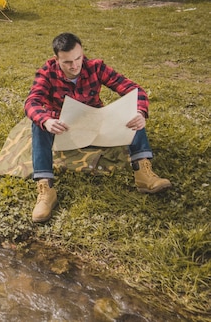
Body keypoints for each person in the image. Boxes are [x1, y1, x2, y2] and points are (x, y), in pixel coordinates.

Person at [24, 32, 171, 223]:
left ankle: (143, 174)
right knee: (38, 125)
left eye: (78, 58)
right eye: (67, 62)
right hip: (63, 128)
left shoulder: (96, 67)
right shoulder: (47, 72)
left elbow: (135, 90)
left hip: (96, 123)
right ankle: (46, 189)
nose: (75, 65)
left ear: (82, 53)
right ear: (56, 59)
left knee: (132, 111)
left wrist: (140, 112)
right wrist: (47, 121)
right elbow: (31, 102)